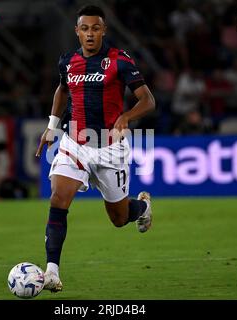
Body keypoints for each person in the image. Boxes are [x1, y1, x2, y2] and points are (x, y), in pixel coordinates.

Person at [35, 5, 156, 293]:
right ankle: (51, 272)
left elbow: (148, 100)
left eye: (96, 28)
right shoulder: (67, 61)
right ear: (77, 31)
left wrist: (126, 117)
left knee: (119, 218)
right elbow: (63, 89)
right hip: (75, 143)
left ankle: (142, 207)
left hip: (110, 149)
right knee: (58, 197)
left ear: (104, 30)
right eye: (85, 28)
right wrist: (52, 127)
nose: (90, 34)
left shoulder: (120, 61)